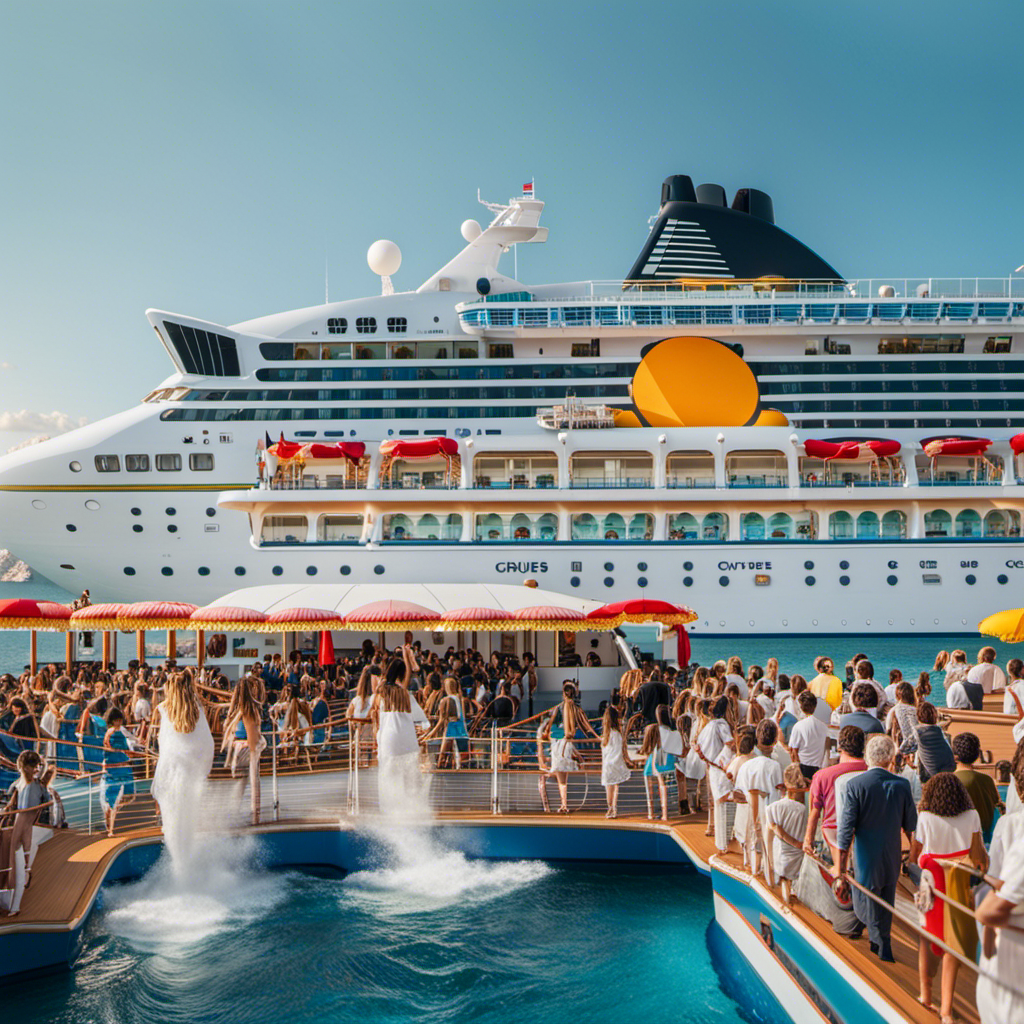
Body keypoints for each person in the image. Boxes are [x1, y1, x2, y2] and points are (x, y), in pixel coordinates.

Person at [909, 772, 987, 1022]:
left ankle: (926, 996)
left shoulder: (926, 817)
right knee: (953, 945)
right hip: (960, 884)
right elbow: (978, 856)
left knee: (928, 937)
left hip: (931, 883)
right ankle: (947, 1012)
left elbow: (916, 855)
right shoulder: (972, 816)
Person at [836, 734, 918, 962]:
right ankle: (882, 942)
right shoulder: (902, 785)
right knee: (886, 903)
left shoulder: (856, 785)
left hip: (865, 859)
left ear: (867, 757)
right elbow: (911, 826)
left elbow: (846, 832)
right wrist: (912, 859)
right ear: (891, 758)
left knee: (868, 903)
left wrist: (840, 869)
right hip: (891, 857)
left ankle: (882, 949)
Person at [149, 669, 215, 860]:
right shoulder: (197, 710)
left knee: (171, 810)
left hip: (170, 769)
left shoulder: (162, 708)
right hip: (191, 770)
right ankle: (188, 853)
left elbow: (160, 739)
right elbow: (206, 741)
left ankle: (176, 855)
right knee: (188, 810)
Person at [803, 725, 866, 867]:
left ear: (839, 748)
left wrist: (808, 839)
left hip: (834, 834)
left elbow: (815, 811)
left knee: (840, 876)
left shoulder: (822, 776)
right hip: (867, 832)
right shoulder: (871, 771)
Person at [1, 750, 47, 916]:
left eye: (35, 766)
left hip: (19, 829)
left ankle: (15, 908)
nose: (35, 769)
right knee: (20, 864)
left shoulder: (32, 787)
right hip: (19, 828)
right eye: (33, 766)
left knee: (15, 865)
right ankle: (27, 873)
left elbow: (26, 816)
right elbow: (11, 802)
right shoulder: (19, 785)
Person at [735, 719, 784, 872]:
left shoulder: (747, 765)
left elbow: (738, 793)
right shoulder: (775, 764)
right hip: (769, 812)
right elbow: (780, 790)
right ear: (775, 740)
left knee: (753, 842)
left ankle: (751, 865)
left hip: (750, 813)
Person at [220, 675, 265, 825]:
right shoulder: (248, 710)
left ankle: (234, 814)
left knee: (240, 784)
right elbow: (253, 739)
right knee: (250, 782)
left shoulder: (235, 710)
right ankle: (253, 817)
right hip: (247, 750)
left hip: (237, 750)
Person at [765, 763, 810, 903]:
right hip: (798, 853)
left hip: (782, 854)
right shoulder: (803, 809)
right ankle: (791, 895)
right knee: (791, 878)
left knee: (784, 878)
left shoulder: (773, 808)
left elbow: (770, 835)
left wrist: (769, 859)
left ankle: (786, 899)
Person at [952, 732, 1001, 842]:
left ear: (955, 755)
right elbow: (995, 806)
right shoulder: (988, 780)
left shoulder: (949, 781)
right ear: (978, 755)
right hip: (985, 842)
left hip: (960, 843)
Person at [101, 707, 139, 836]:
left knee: (128, 794)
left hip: (120, 764)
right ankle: (110, 826)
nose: (119, 722)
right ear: (113, 720)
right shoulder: (112, 732)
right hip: (115, 765)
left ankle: (113, 811)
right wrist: (115, 751)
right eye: (118, 720)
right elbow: (106, 745)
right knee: (114, 795)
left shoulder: (119, 731)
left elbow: (126, 744)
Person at [600, 706, 634, 819]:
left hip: (607, 765)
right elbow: (620, 750)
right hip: (615, 763)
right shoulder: (616, 734)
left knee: (608, 788)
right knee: (615, 787)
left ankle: (610, 808)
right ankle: (613, 808)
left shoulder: (605, 735)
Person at [788, 691, 828, 781]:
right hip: (818, 767)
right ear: (815, 706)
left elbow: (793, 750)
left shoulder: (798, 726)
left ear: (801, 707)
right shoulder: (824, 727)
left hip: (802, 767)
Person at [640, 723, 674, 822]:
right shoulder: (662, 746)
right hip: (659, 765)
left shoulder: (653, 746)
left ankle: (651, 813)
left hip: (651, 767)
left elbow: (648, 756)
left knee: (650, 791)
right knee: (663, 788)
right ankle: (664, 813)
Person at [914, 702, 956, 782]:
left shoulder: (918, 732)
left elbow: (907, 746)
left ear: (918, 718)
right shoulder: (939, 731)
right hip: (948, 769)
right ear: (935, 717)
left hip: (930, 774)